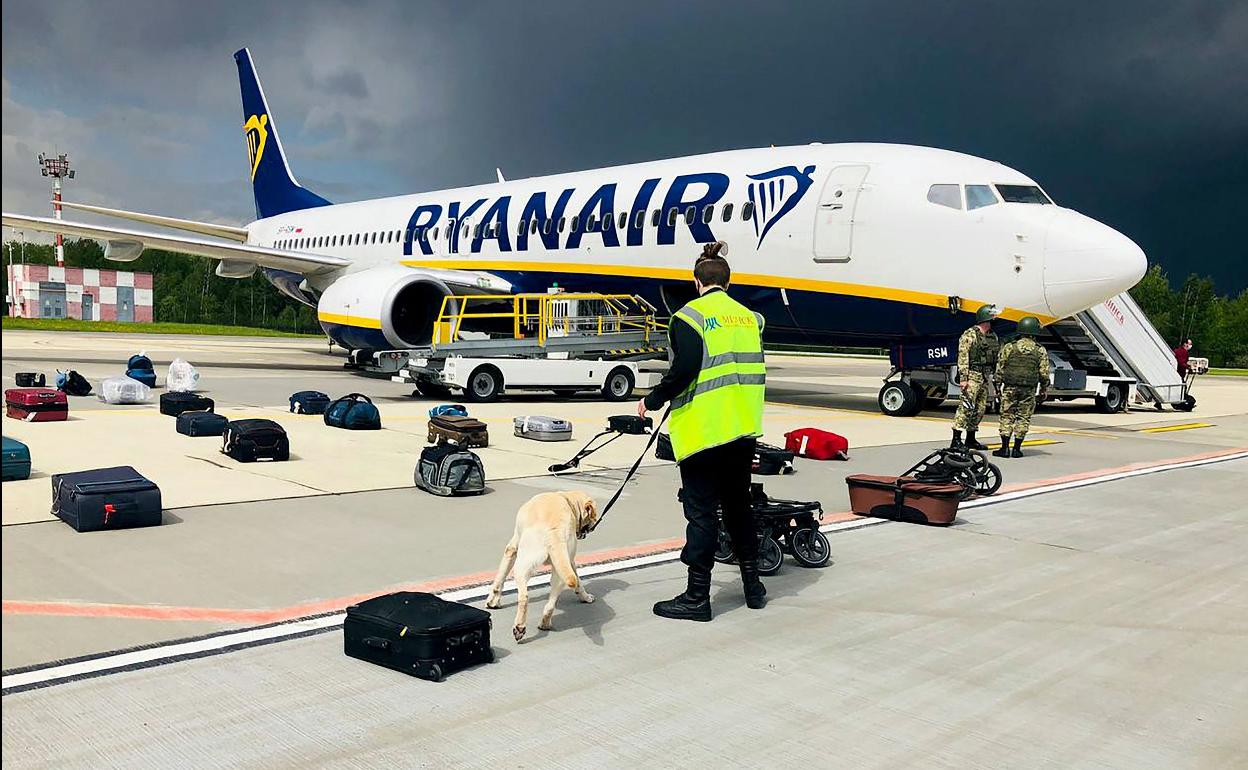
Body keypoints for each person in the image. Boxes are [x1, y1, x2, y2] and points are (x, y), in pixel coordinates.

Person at [638, 240, 767, 622]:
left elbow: (685, 369)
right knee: (739, 507)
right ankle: (753, 586)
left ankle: (697, 597)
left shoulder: (689, 317)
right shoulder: (751, 318)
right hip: (742, 429)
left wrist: (655, 398)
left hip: (705, 431)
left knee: (702, 514)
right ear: (727, 282)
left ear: (697, 282)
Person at [994, 316, 1050, 458]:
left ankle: (1004, 448)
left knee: (1007, 415)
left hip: (1010, 388)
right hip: (1028, 389)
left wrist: (997, 386)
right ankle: (1017, 449)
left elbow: (1000, 368)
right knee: (1023, 417)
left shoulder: (1009, 347)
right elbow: (1044, 373)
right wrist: (1044, 388)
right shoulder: (1040, 350)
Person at [952, 304, 1000, 450]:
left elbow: (995, 357)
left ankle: (971, 439)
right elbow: (963, 356)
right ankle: (956, 440)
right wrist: (964, 378)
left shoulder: (993, 336)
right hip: (972, 375)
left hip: (984, 377)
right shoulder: (970, 334)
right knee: (966, 407)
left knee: (979, 409)